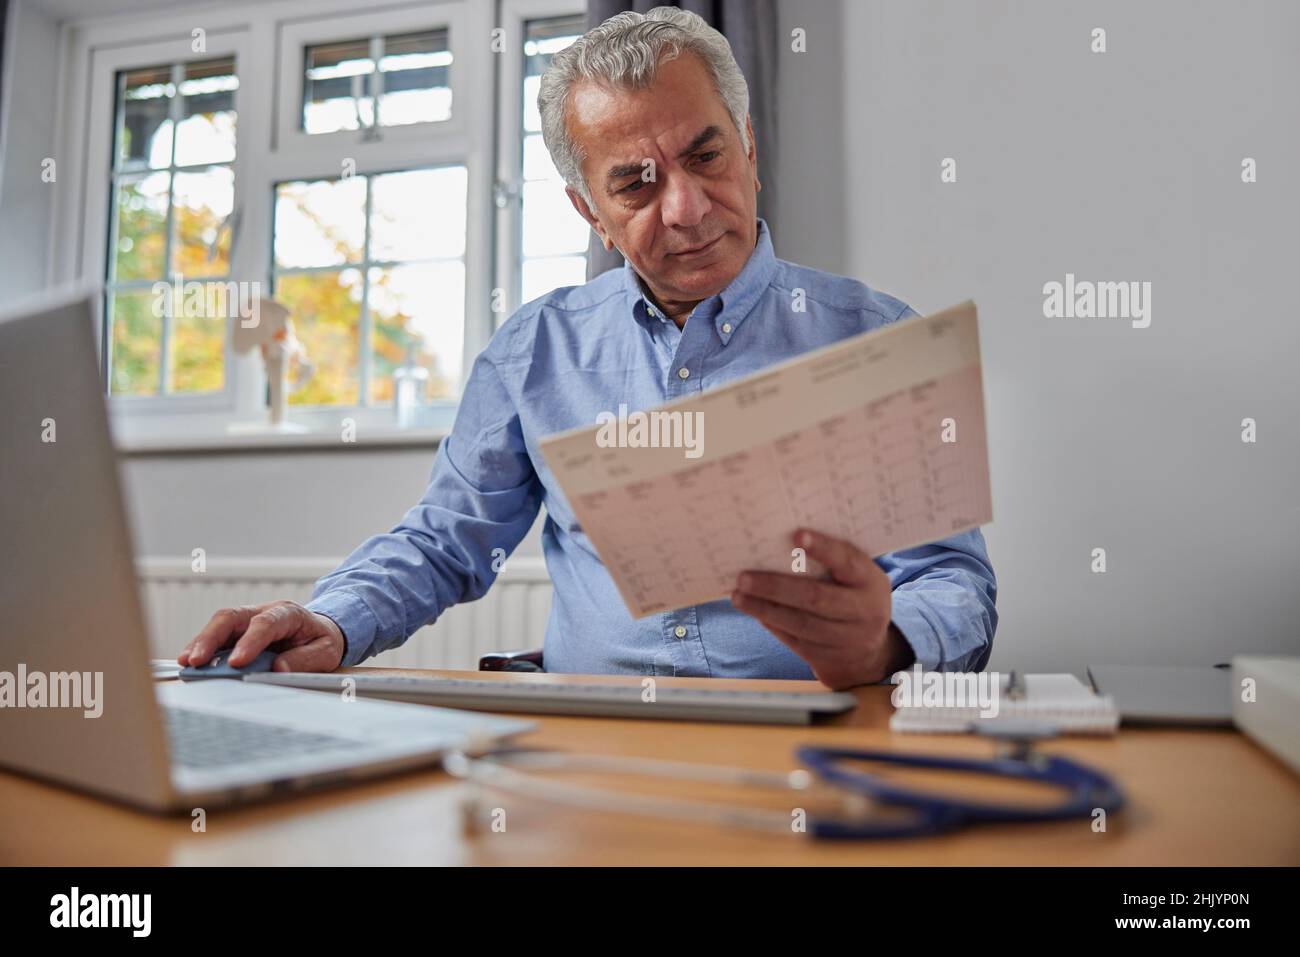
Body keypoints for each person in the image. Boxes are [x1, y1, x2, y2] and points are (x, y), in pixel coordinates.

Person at [179, 7, 996, 690]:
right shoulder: (534, 350)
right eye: (635, 183)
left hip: (812, 738)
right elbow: (443, 540)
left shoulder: (877, 336)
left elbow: (955, 582)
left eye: (706, 156)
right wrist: (330, 619)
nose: (684, 208)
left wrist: (885, 645)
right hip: (590, 731)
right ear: (588, 211)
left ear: (749, 147)